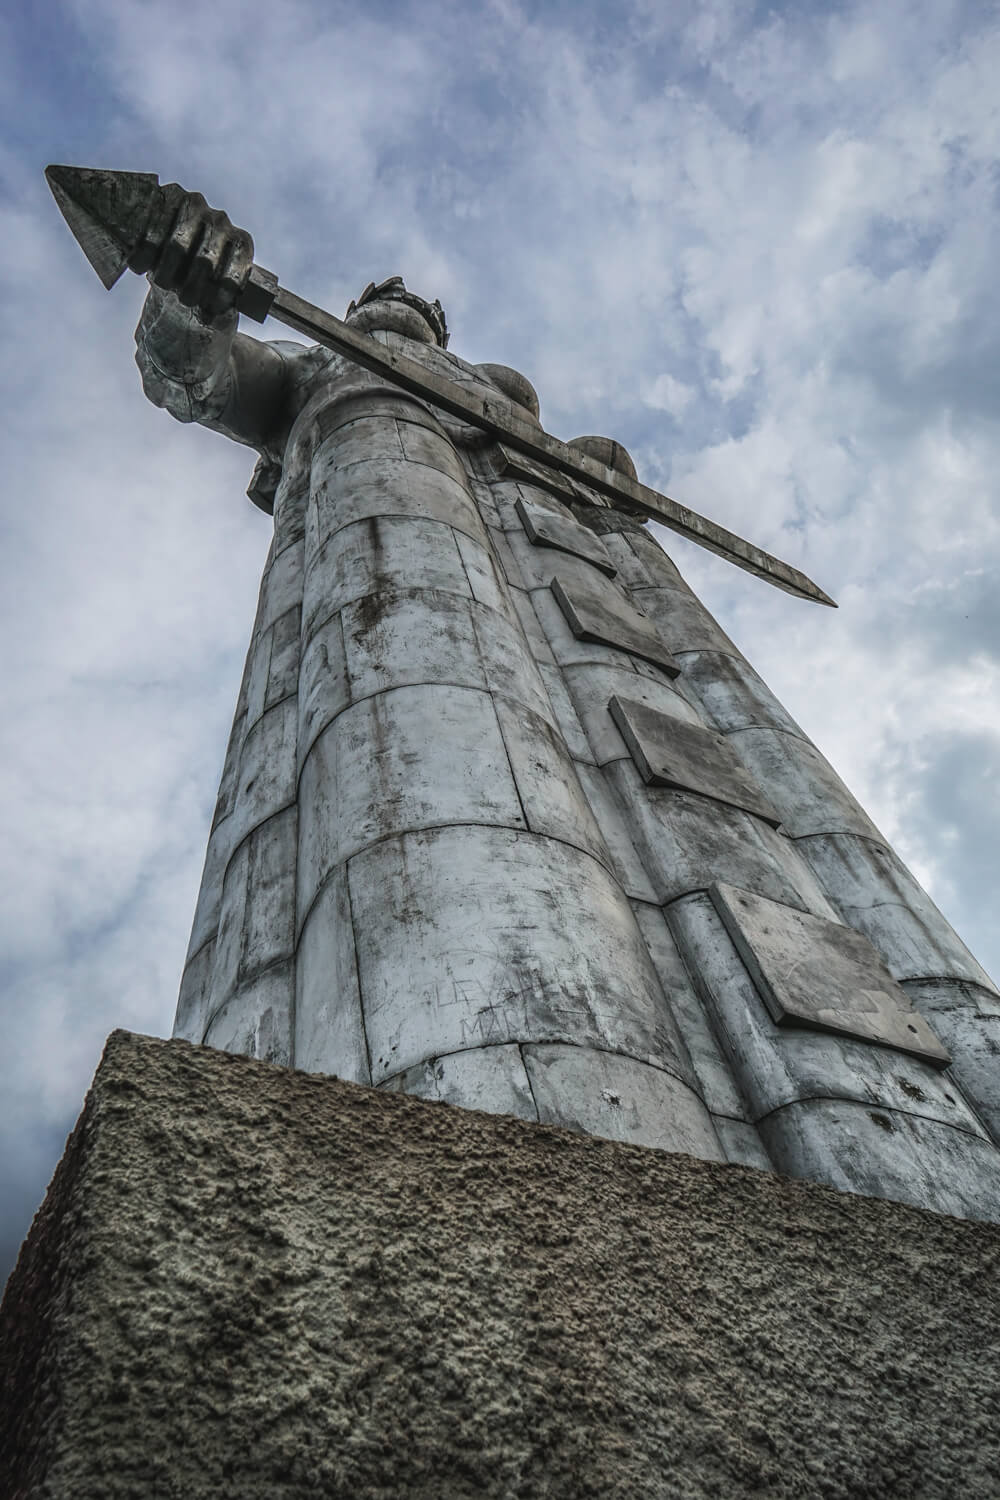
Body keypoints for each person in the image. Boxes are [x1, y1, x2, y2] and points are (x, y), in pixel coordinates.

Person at [135, 191, 1000, 1221]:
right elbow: (195, 373)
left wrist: (596, 481)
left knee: (789, 837)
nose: (402, 305)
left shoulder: (528, 423)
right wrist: (186, 294)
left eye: (419, 303)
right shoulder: (325, 363)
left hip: (624, 623)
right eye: (382, 296)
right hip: (413, 588)